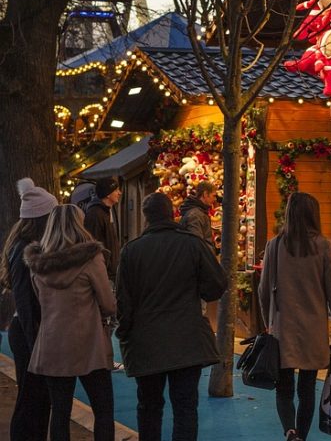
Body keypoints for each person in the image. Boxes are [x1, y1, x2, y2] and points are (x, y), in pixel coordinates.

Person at [116, 193, 227, 441]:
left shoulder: (131, 251)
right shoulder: (192, 244)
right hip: (187, 339)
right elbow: (216, 285)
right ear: (173, 213)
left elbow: (124, 300)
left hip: (146, 341)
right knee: (185, 407)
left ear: (146, 217)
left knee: (149, 406)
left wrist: (125, 332)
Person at [257, 192, 331, 441]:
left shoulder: (274, 245)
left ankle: (290, 431)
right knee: (307, 388)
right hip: (314, 328)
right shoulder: (323, 245)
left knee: (283, 388)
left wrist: (268, 323)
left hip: (282, 328)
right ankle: (302, 436)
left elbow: (263, 290)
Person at [25, 205, 116, 441]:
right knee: (103, 410)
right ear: (79, 224)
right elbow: (108, 304)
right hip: (89, 344)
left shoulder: (38, 264)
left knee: (60, 412)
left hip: (52, 344)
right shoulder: (91, 259)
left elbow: (39, 302)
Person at [3, 178, 56, 440]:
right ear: (42, 218)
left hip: (28, 331)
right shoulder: (25, 249)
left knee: (34, 395)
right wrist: (35, 340)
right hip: (28, 332)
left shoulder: (22, 245)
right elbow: (25, 301)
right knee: (32, 396)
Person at [83, 176, 122, 281]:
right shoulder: (95, 214)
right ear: (108, 194)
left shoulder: (106, 212)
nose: (120, 193)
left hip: (110, 272)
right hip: (103, 274)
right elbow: (92, 244)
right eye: (116, 190)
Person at [179, 181, 217, 254]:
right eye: (213, 195)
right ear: (205, 194)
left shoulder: (198, 212)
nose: (215, 199)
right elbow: (196, 245)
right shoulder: (195, 215)